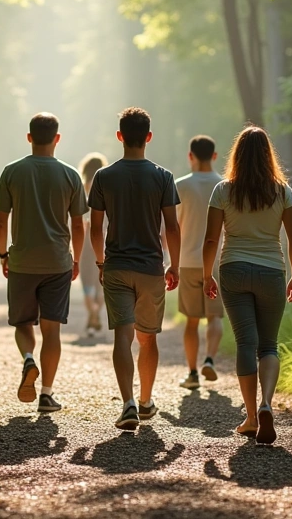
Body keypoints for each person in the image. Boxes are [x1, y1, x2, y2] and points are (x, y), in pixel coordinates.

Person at [202, 126, 292, 445]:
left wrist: (207, 275)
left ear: (238, 156)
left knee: (246, 343)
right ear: (267, 155)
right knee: (268, 345)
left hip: (233, 268)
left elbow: (210, 239)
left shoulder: (222, 190)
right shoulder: (282, 191)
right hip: (272, 270)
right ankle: (266, 405)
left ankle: (249, 417)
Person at [88, 107, 181, 431]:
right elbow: (172, 227)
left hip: (116, 266)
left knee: (122, 337)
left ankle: (127, 403)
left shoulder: (104, 177)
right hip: (151, 267)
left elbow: (95, 228)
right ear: (149, 137)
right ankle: (145, 401)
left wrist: (101, 262)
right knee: (147, 339)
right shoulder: (163, 177)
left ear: (120, 136)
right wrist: (175, 266)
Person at [0, 113, 88, 413]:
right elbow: (79, 225)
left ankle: (28, 359)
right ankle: (46, 394)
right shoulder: (71, 175)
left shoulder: (12, 172)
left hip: (21, 262)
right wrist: (76, 259)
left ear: (29, 137)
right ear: (57, 138)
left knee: (22, 323)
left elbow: (0, 220)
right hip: (57, 262)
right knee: (52, 330)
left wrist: (3, 254)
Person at [174, 135, 223, 389]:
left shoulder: (180, 186)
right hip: (216, 262)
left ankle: (192, 374)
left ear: (190, 156)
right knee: (214, 317)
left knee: (191, 320)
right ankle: (211, 360)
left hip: (189, 260)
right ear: (214, 156)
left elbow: (173, 227)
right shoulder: (226, 186)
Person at [78, 152, 110, 335]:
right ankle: (96, 312)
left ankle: (92, 313)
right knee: (101, 281)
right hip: (104, 240)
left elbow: (77, 220)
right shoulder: (107, 188)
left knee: (87, 283)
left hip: (85, 242)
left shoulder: (81, 189)